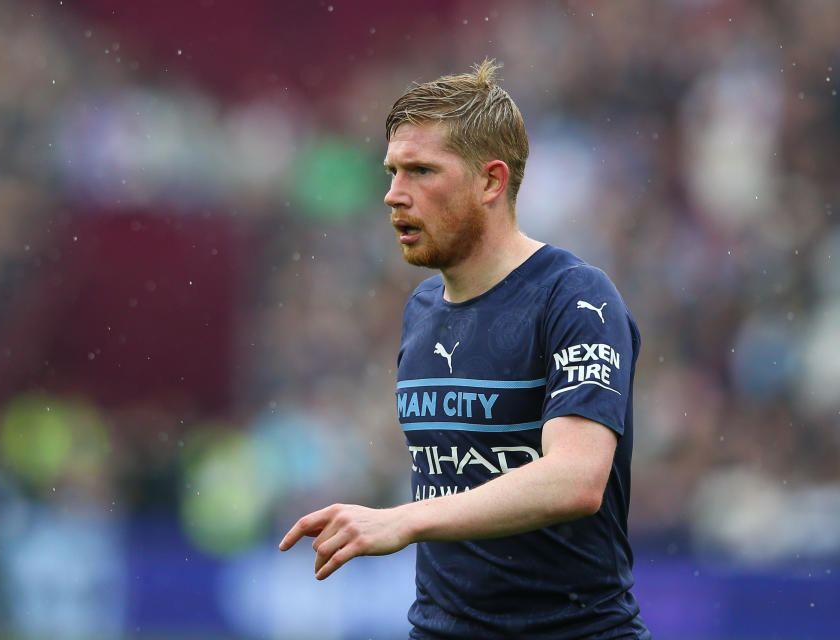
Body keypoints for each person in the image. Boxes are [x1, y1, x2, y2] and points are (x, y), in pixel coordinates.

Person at [279, 59, 650, 640]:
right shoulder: (421, 310)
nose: (393, 196)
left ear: (491, 182)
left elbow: (576, 479)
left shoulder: (575, 297)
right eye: (392, 172)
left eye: (422, 171)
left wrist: (402, 521)